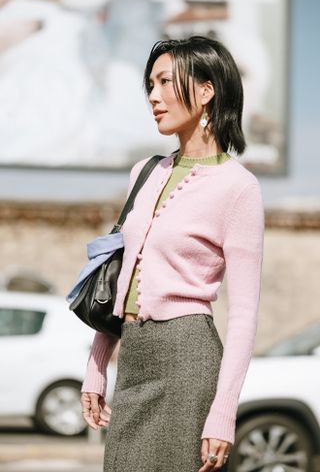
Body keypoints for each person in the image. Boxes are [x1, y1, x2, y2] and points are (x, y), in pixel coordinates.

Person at [80, 36, 264, 472]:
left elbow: (243, 315)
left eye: (165, 81)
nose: (153, 96)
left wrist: (223, 413)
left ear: (206, 91)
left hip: (188, 357)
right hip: (135, 357)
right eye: (150, 84)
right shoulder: (144, 172)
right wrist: (96, 364)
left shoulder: (239, 188)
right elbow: (116, 275)